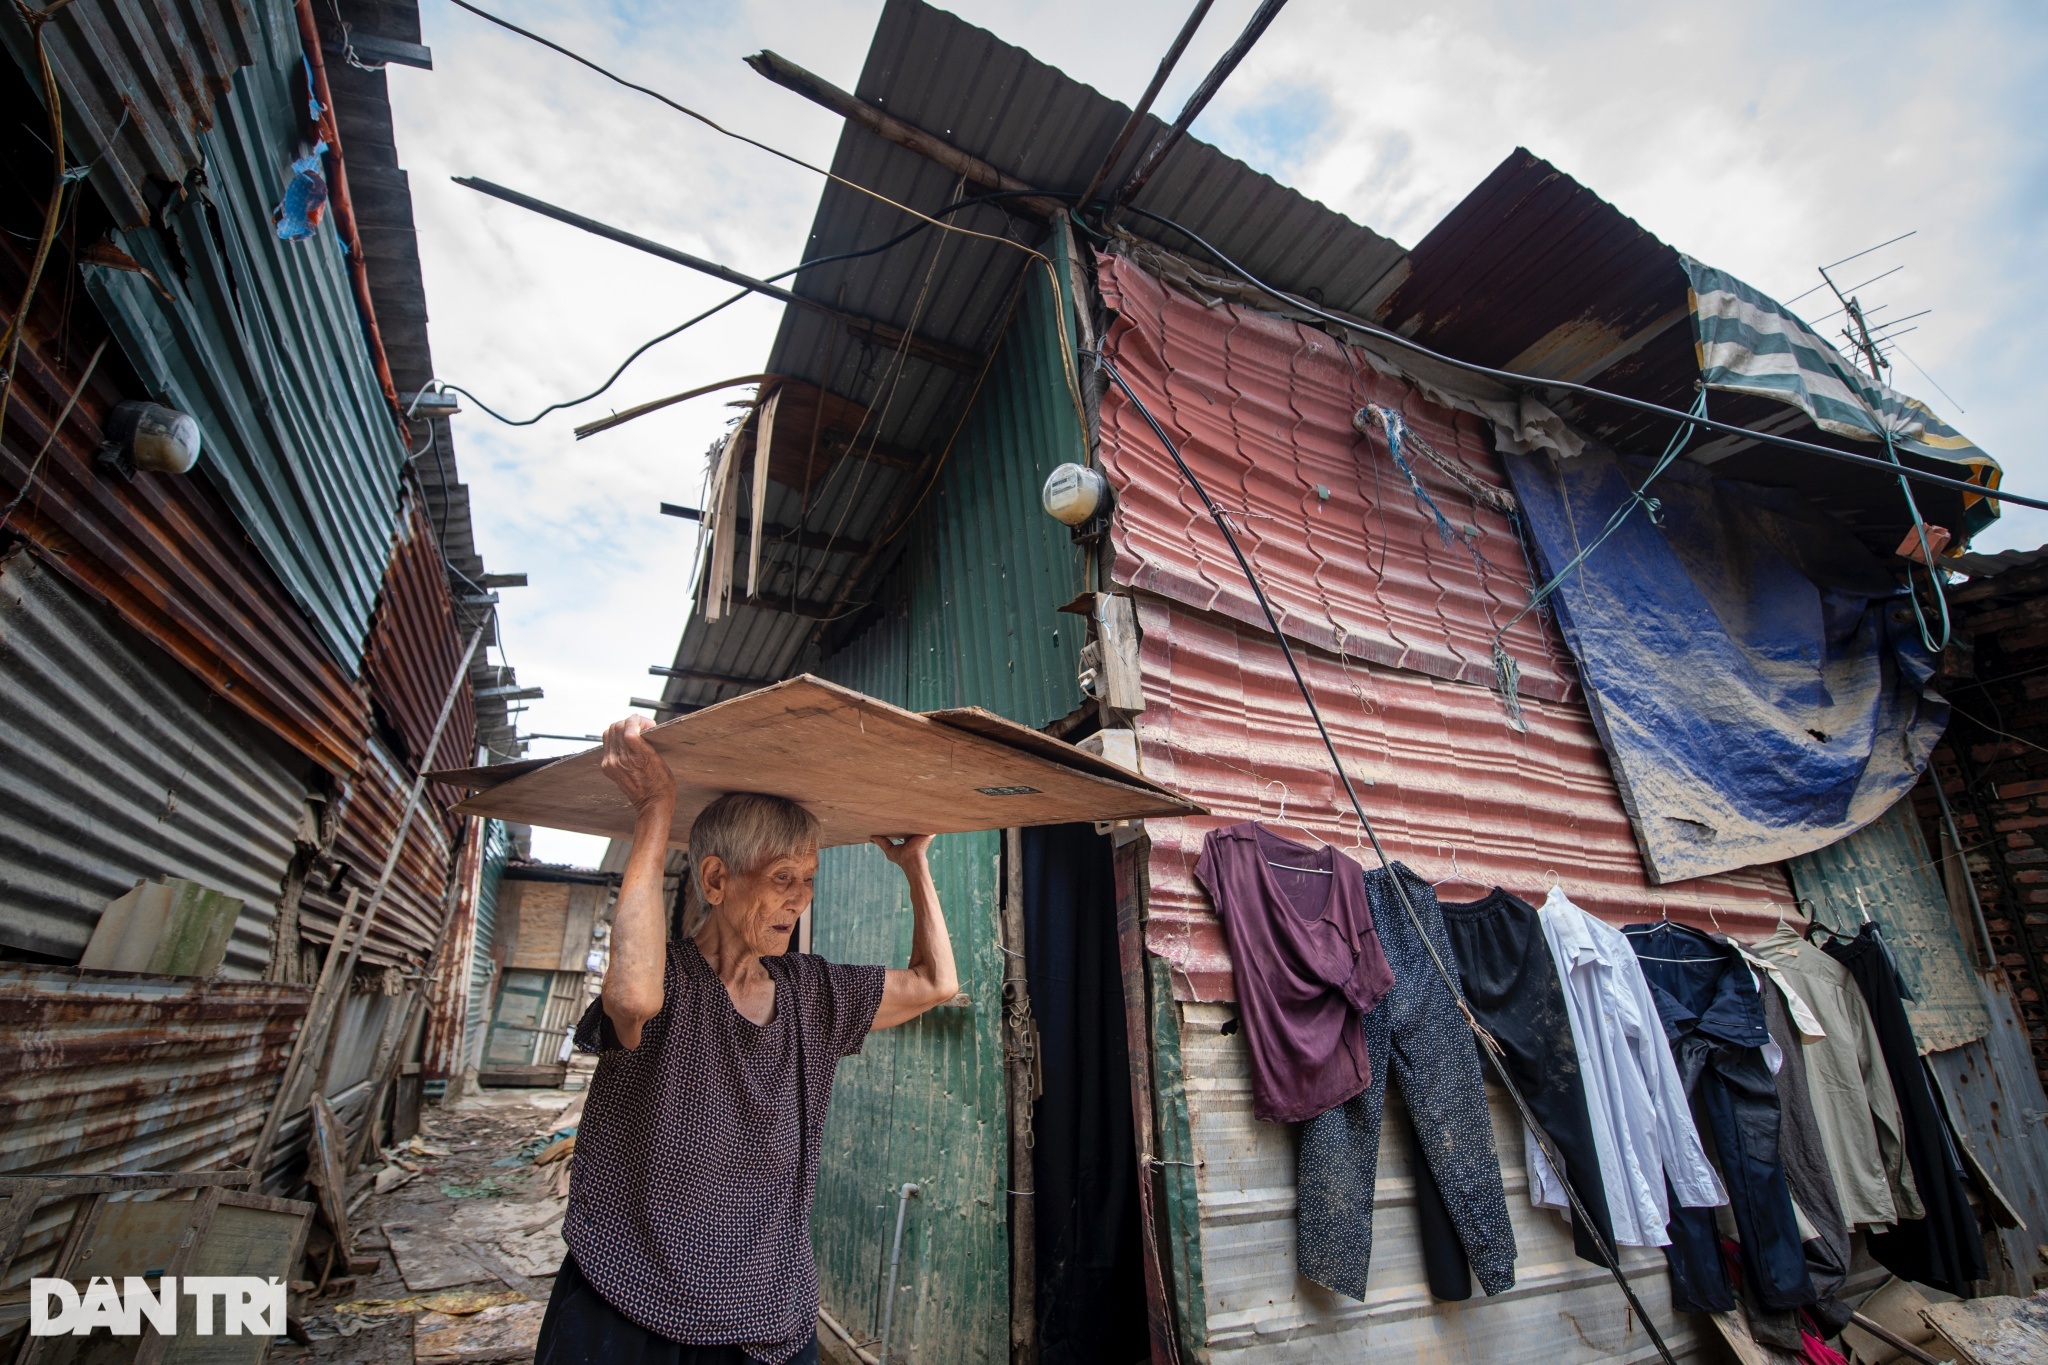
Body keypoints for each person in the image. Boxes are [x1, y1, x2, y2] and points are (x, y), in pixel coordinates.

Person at [533, 714, 960, 1365]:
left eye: (808, 880)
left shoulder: (812, 992)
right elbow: (631, 997)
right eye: (782, 878)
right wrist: (655, 809)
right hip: (628, 1296)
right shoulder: (667, 977)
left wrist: (914, 864)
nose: (800, 900)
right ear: (715, 881)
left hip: (763, 1313)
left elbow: (936, 982)